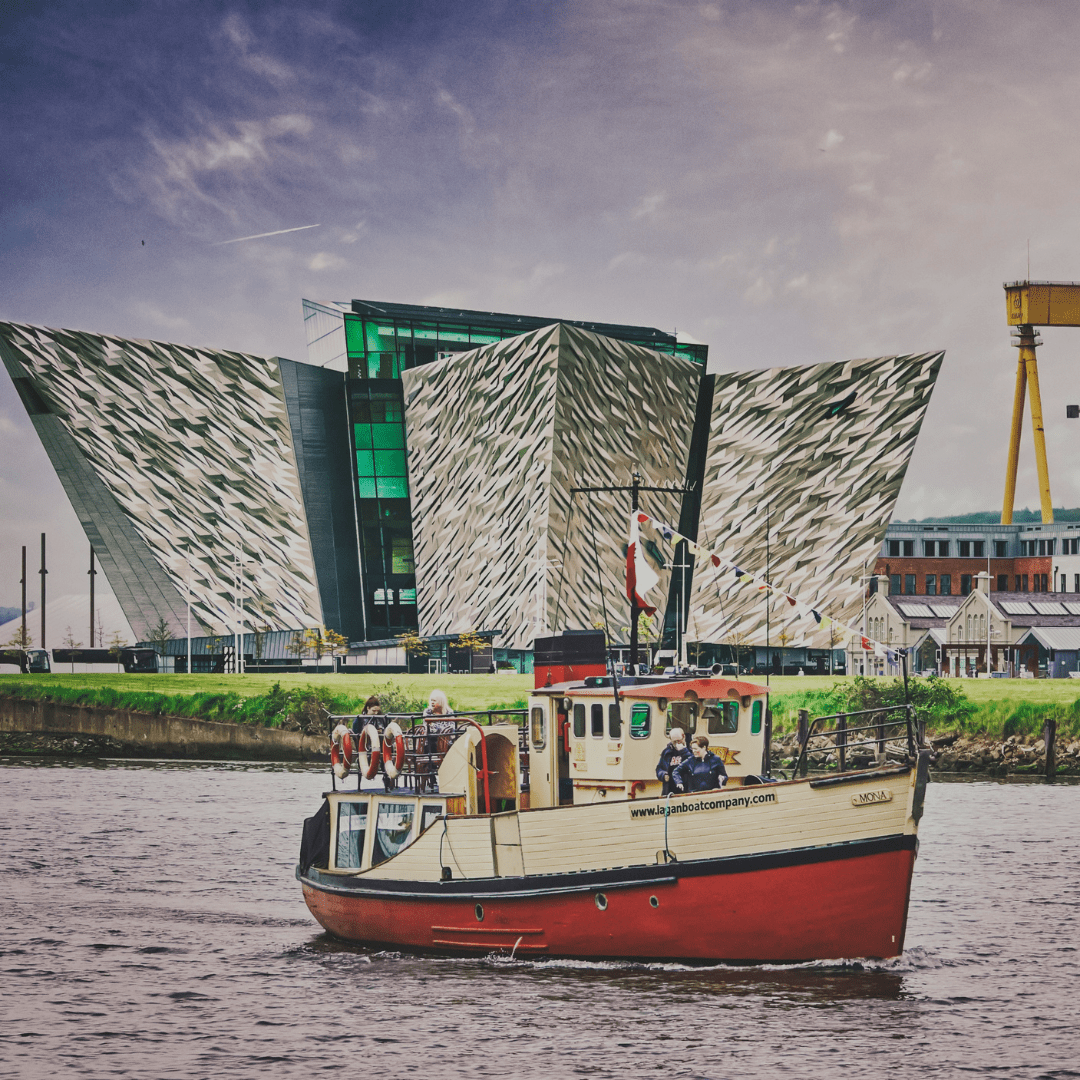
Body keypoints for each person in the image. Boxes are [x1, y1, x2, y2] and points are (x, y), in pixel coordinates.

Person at [656, 727, 693, 796]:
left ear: (683, 736)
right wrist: (663, 775)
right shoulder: (667, 752)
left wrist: (684, 752)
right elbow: (659, 768)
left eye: (679, 741)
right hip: (670, 790)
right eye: (674, 742)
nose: (677, 744)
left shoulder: (692, 748)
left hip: (687, 788)